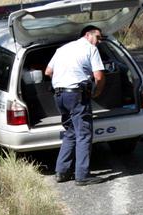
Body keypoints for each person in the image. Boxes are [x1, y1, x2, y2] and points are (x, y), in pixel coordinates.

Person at [44, 25, 105, 186]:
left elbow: (48, 72)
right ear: (87, 35)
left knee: (71, 132)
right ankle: (82, 175)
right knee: (83, 134)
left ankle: (62, 172)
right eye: (98, 37)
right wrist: (97, 91)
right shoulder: (90, 49)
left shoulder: (62, 49)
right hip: (76, 96)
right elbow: (99, 76)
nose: (99, 41)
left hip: (59, 96)